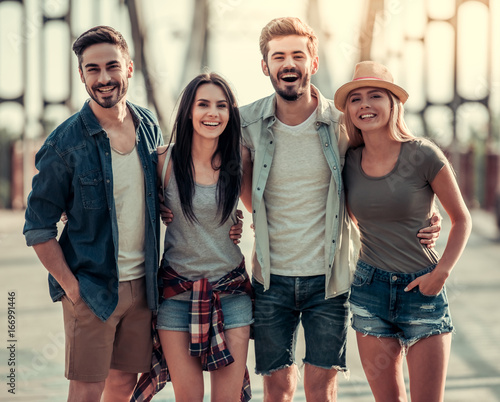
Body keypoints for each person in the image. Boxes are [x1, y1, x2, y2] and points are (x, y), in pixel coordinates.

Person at [237, 18, 442, 402]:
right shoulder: (246, 122)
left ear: (313, 62)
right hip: (270, 279)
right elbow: (208, 165)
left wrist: (428, 211)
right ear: (265, 65)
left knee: (320, 386)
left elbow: (394, 159)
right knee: (278, 386)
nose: (288, 63)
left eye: (298, 54)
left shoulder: (342, 124)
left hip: (330, 279)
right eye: (278, 56)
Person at [23, 26, 164, 401]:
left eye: (112, 66)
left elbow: (168, 195)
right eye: (93, 69)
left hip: (143, 288)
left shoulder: (149, 126)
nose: (104, 78)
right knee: (86, 391)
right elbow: (37, 227)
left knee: (123, 386)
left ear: (129, 68)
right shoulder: (63, 144)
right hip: (92, 287)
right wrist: (73, 290)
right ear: (82, 74)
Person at [335, 60, 472, 402]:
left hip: (422, 289)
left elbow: (462, 219)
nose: (365, 104)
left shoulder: (423, 154)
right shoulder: (346, 160)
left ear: (393, 103)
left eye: (375, 95)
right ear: (348, 110)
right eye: (356, 98)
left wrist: (441, 273)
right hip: (370, 291)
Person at [134, 72, 254, 402]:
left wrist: (240, 221)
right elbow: (125, 203)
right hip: (176, 293)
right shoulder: (163, 161)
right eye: (203, 104)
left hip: (230, 292)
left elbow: (264, 212)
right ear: (189, 110)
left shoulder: (240, 159)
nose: (212, 113)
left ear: (231, 113)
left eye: (221, 105)